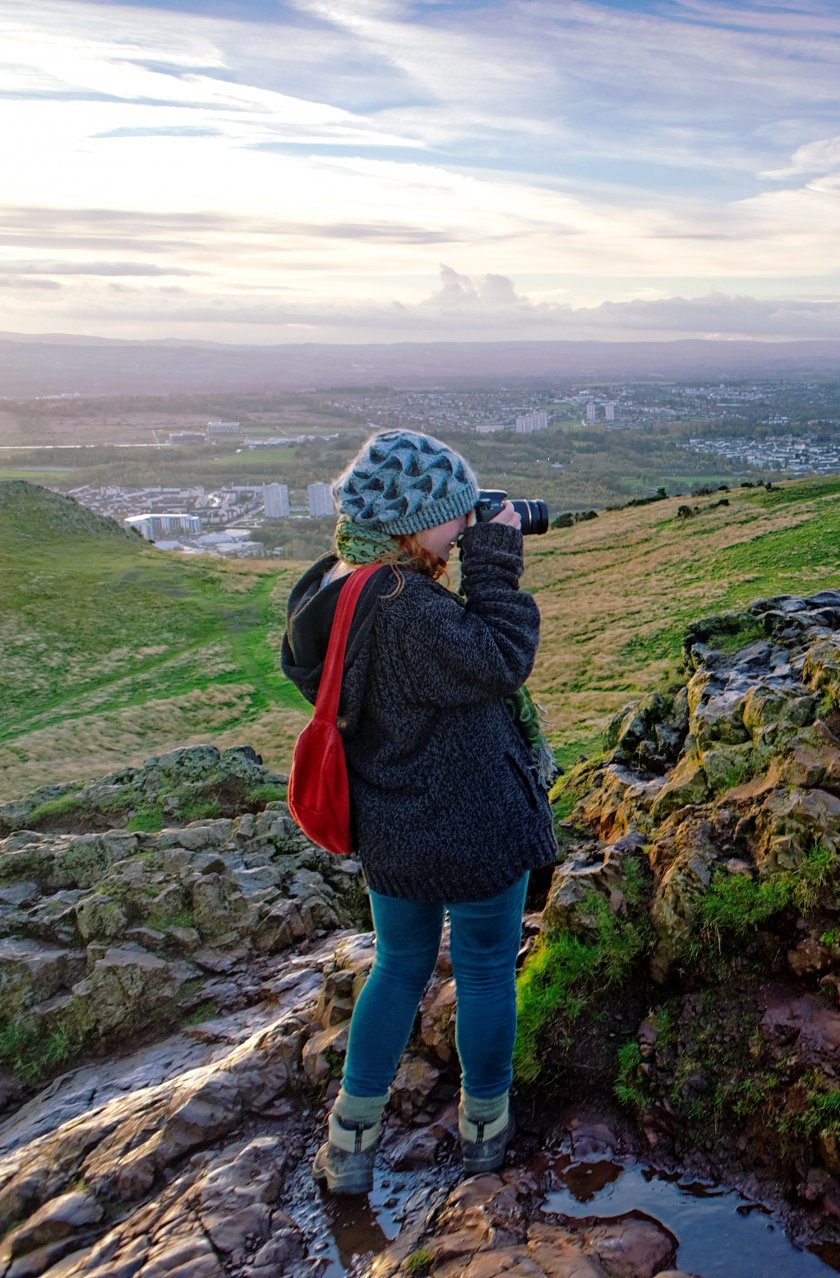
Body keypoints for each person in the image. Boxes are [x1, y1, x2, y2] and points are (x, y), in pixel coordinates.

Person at [281, 429, 559, 1195]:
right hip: (474, 824)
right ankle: (484, 1129)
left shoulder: (339, 582)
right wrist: (497, 559)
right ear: (410, 526)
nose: (467, 523)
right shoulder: (407, 606)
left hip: (394, 826)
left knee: (397, 968)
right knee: (481, 971)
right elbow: (502, 655)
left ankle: (350, 1141)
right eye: (454, 514)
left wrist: (466, 537)